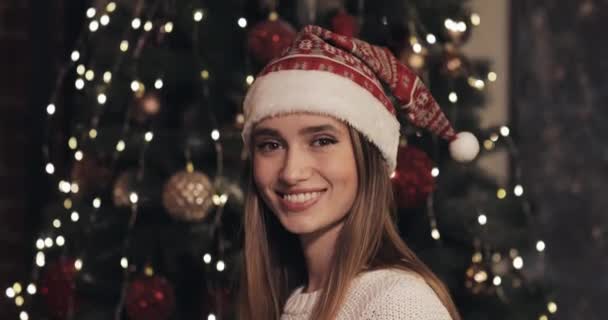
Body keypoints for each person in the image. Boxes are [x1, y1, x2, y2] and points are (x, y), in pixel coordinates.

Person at [238, 25, 479, 320]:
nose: (291, 171)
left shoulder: (397, 304)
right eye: (271, 144)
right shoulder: (291, 298)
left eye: (322, 141)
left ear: (368, 156)